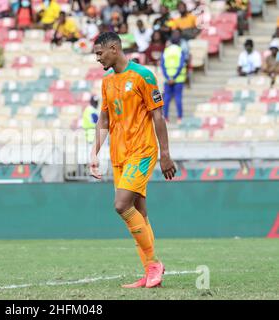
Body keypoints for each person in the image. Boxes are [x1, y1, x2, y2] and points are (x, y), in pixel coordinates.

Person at [91, 32, 176, 288]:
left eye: (99, 53)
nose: (97, 58)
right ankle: (151, 273)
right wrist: (93, 153)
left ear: (113, 49)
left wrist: (165, 154)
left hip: (142, 151)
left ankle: (154, 264)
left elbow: (158, 116)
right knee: (139, 212)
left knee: (121, 205)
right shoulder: (106, 82)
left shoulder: (144, 75)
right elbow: (103, 120)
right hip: (119, 155)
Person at [160, 36, 187, 123]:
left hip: (167, 79)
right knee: (178, 98)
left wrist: (168, 78)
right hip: (178, 79)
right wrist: (174, 77)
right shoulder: (180, 51)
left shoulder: (166, 50)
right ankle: (180, 118)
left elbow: (162, 65)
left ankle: (166, 118)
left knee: (167, 98)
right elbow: (181, 65)